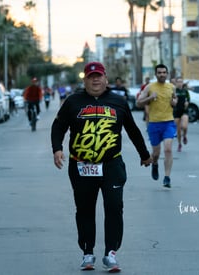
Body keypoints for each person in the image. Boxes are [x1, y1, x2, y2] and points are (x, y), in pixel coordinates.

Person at [51, 61, 152, 272]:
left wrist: (144, 154)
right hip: (81, 166)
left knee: (114, 207)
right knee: (85, 209)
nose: (95, 79)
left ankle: (111, 254)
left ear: (106, 79)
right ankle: (88, 253)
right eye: (91, 76)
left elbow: (132, 129)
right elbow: (58, 126)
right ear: (85, 80)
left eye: (99, 76)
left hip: (111, 164)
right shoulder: (73, 101)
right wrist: (57, 148)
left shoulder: (118, 102)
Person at [136, 64, 177, 188]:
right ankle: (155, 164)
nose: (162, 74)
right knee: (156, 153)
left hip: (168, 122)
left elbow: (175, 100)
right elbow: (138, 103)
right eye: (159, 72)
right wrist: (150, 97)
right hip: (154, 123)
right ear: (156, 74)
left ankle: (167, 177)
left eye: (164, 72)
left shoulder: (172, 87)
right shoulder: (150, 87)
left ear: (167, 73)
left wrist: (174, 102)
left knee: (168, 149)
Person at [173, 77, 190, 152]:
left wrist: (187, 103)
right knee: (178, 130)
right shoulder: (174, 91)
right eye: (178, 82)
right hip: (176, 111)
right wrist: (174, 101)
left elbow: (188, 99)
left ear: (183, 83)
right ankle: (179, 144)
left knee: (184, 126)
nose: (180, 83)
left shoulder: (185, 91)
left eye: (181, 82)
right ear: (176, 83)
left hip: (184, 111)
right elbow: (170, 100)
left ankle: (185, 136)